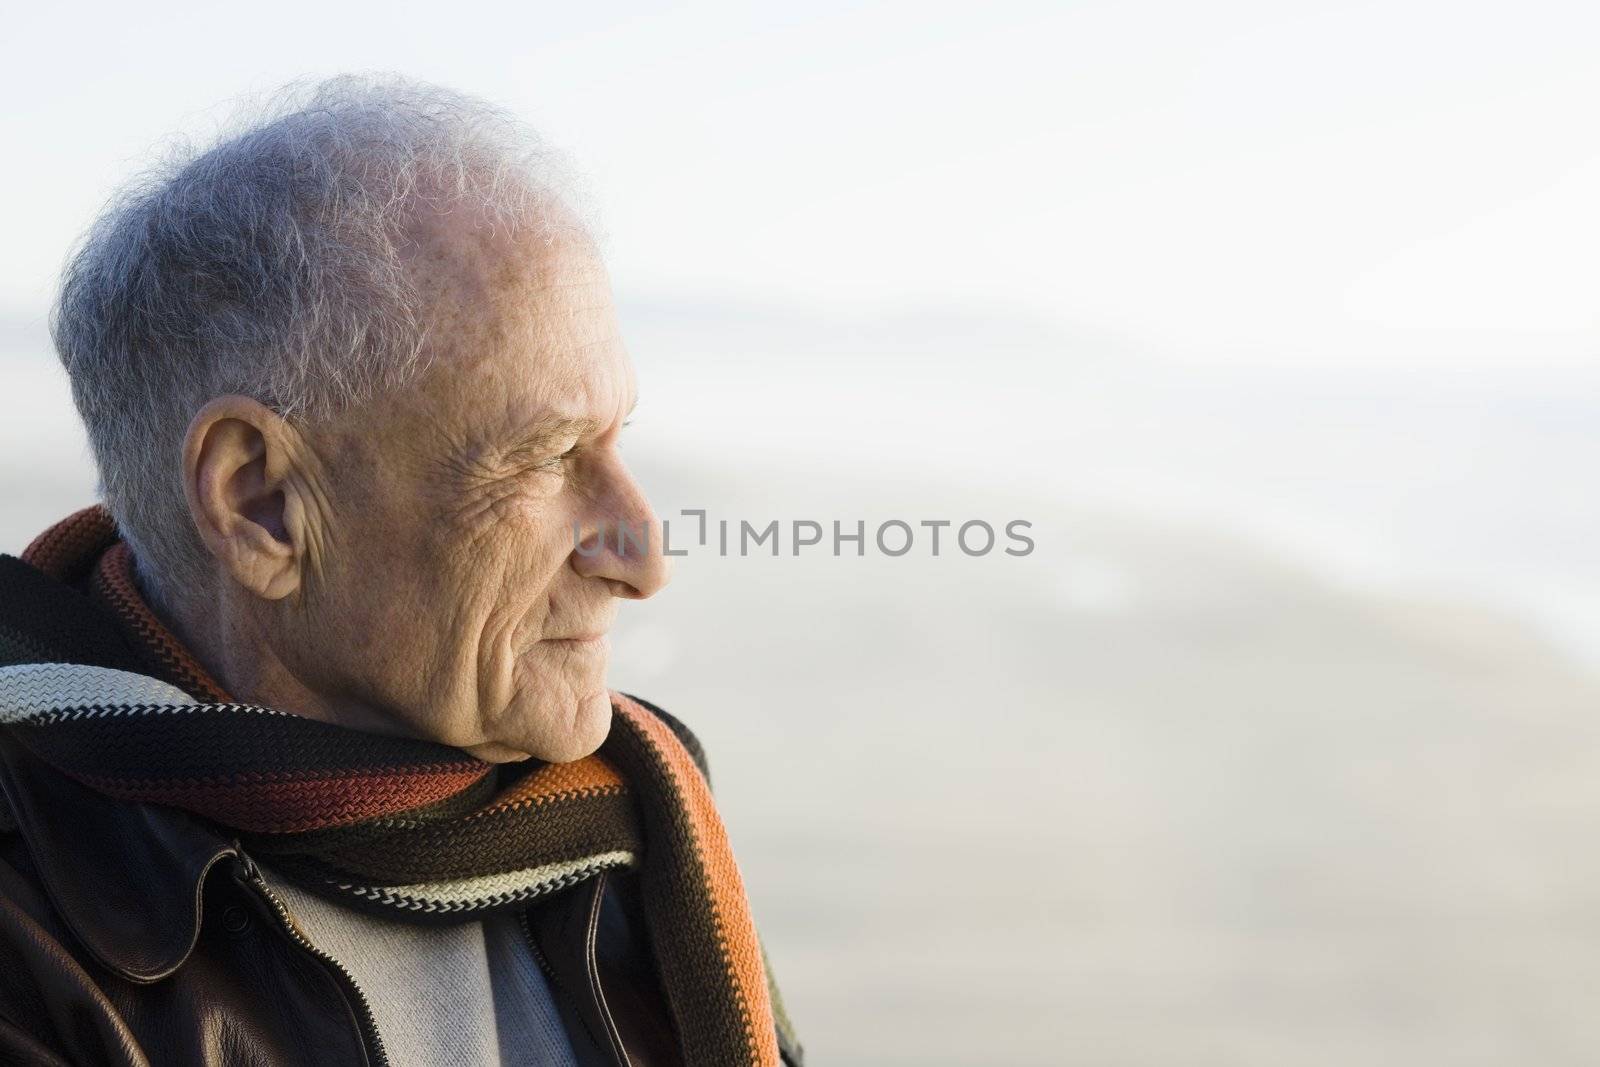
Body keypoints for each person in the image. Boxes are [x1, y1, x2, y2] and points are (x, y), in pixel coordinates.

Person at [0, 75, 802, 1067]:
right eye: (547, 456)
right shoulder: (31, 928)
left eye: (614, 439)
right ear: (262, 504)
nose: (644, 558)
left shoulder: (633, 817)